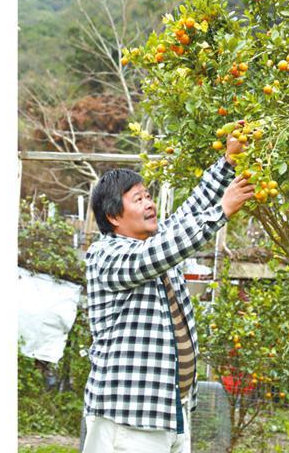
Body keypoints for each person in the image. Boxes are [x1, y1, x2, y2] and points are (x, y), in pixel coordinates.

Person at [80, 136, 255, 453]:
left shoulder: (155, 243)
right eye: (138, 199)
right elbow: (161, 251)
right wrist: (222, 211)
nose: (149, 203)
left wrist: (228, 162)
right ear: (114, 216)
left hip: (170, 410)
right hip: (127, 417)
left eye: (148, 196)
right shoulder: (105, 255)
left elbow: (190, 211)